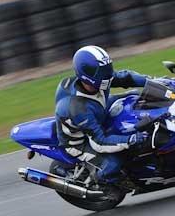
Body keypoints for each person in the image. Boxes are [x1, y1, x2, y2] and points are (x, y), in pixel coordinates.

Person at [55, 45, 150, 183]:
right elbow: (99, 142)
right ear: (88, 73)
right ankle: (99, 182)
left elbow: (125, 78)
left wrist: (152, 81)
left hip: (98, 110)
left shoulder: (99, 80)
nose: (108, 74)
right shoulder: (79, 108)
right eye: (101, 70)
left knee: (134, 95)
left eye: (107, 68)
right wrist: (131, 139)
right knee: (113, 164)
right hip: (79, 142)